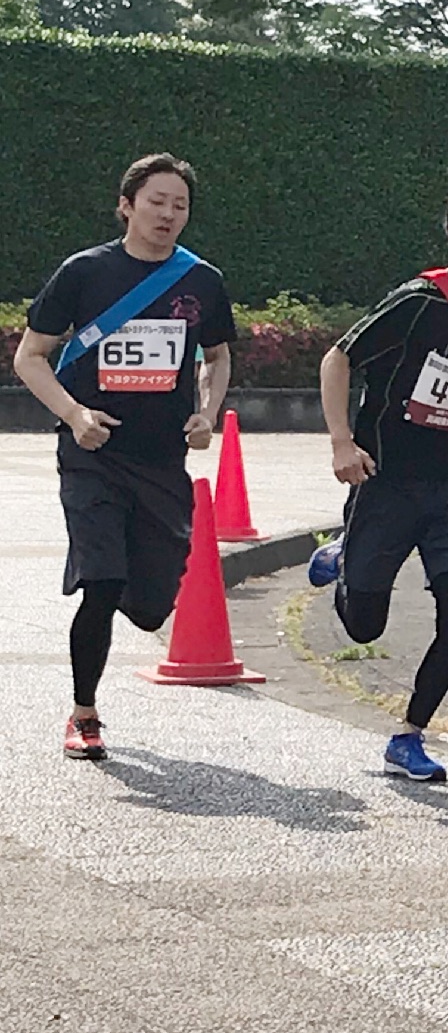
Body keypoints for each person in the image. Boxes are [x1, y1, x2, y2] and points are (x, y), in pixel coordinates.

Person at [13, 154, 237, 760]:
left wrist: (207, 412)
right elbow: (30, 356)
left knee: (151, 605)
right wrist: (74, 414)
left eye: (179, 205)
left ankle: (120, 580)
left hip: (161, 460)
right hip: (93, 452)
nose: (168, 214)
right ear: (126, 206)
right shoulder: (85, 272)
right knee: (102, 581)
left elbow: (218, 356)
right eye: (156, 201)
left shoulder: (202, 280)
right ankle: (84, 713)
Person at [312, 180, 448, 783]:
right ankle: (345, 555)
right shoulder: (415, 303)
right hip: (384, 479)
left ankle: (409, 736)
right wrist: (341, 442)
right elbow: (337, 359)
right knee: (364, 626)